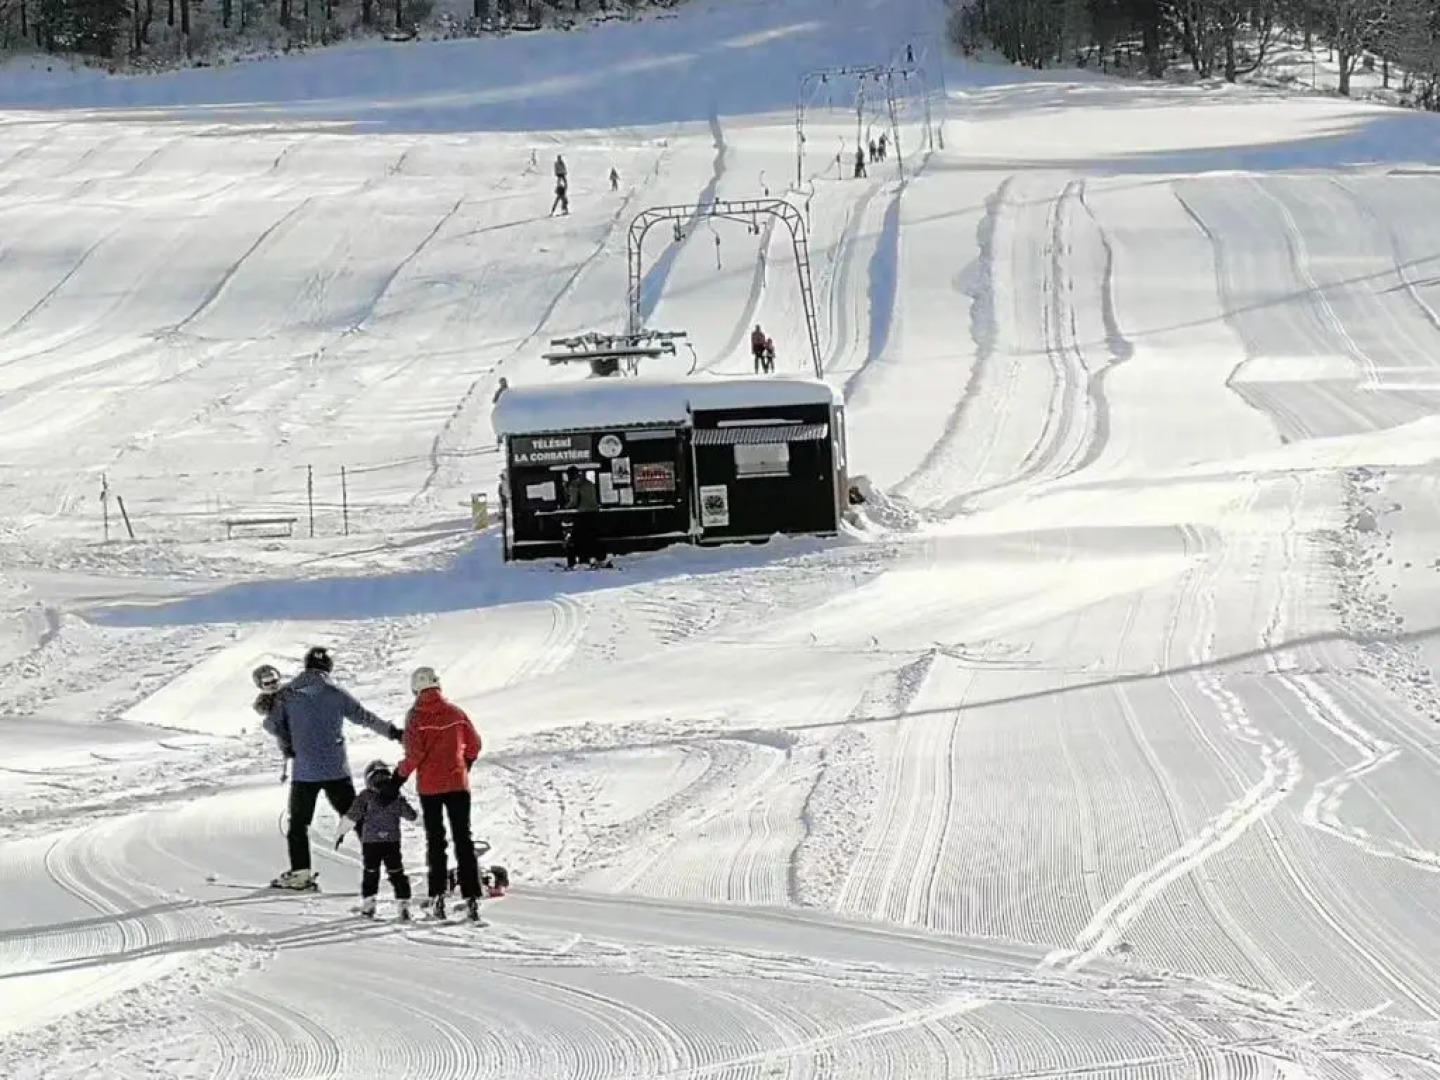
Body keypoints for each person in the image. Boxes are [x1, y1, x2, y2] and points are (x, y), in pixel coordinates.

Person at [263, 645, 403, 890]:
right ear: (328, 667)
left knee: (299, 823)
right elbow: (364, 717)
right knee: (356, 817)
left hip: (304, 770)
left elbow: (272, 725)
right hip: (335, 768)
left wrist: (289, 736)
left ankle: (300, 873)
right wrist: (393, 732)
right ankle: (382, 865)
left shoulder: (287, 694)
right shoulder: (335, 693)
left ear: (306, 666)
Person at [380, 666, 484, 922]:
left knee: (436, 841)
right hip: (458, 785)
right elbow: (475, 745)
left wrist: (396, 780)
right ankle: (472, 898)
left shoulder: (415, 717)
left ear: (416, 688)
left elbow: (414, 754)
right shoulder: (456, 713)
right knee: (464, 839)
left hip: (430, 788)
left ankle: (437, 896)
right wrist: (464, 766)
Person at [335, 759, 417, 920]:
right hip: (392, 842)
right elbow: (412, 816)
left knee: (371, 872)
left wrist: (340, 833)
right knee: (396, 873)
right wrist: (402, 802)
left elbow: (352, 815)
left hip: (371, 843)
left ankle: (369, 904)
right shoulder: (395, 796)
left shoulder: (366, 796)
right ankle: (403, 905)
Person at [560, 465, 602, 568]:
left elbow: (573, 501)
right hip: (594, 513)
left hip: (582, 513)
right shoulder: (589, 483)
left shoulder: (574, 485)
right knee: (591, 537)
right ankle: (593, 558)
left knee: (578, 537)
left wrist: (565, 508)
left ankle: (580, 560)